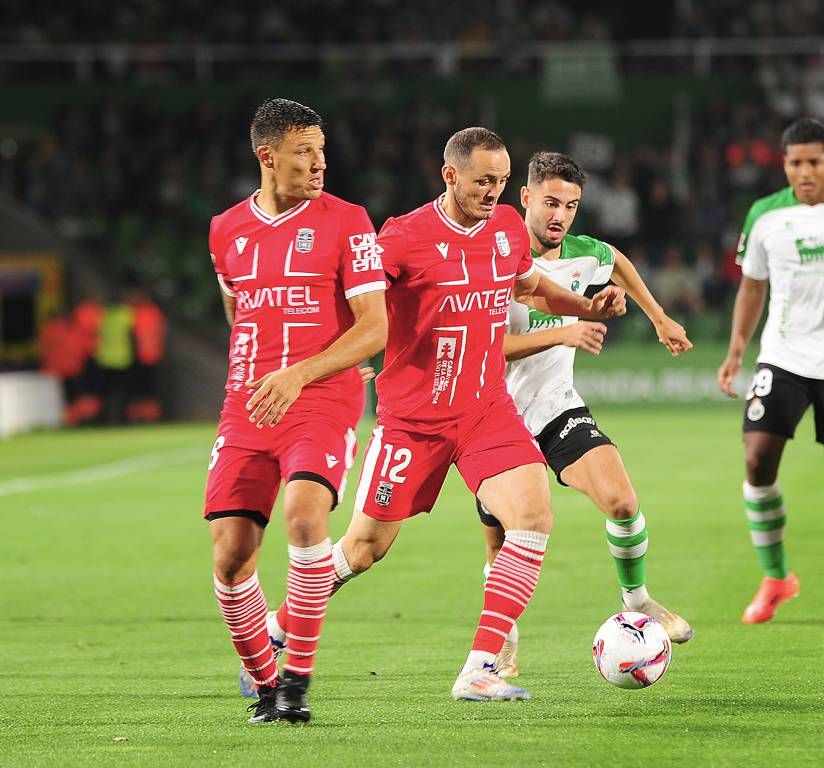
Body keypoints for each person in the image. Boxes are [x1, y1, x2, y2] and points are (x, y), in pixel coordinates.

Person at [248, 127, 628, 704]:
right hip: (411, 421)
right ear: (450, 176)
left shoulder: (505, 229)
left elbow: (530, 289)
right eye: (483, 182)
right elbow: (351, 303)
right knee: (363, 549)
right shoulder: (402, 238)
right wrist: (322, 366)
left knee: (533, 514)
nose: (494, 194)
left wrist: (584, 305)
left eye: (501, 183)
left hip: (485, 411)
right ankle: (277, 631)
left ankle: (480, 667)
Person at [472, 152, 694, 678]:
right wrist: (569, 327)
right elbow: (489, 348)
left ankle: (637, 598)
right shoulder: (490, 256)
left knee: (622, 503)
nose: (560, 216)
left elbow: (615, 261)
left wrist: (658, 316)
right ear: (524, 198)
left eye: (571, 206)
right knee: (502, 541)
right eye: (550, 202)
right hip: (493, 418)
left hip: (555, 405)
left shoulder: (583, 254)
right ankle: (503, 635)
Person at [205, 98, 387, 724]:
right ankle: (264, 688)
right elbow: (240, 316)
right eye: (305, 151)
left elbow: (375, 327)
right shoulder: (225, 230)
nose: (320, 162)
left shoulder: (348, 221)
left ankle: (295, 684)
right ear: (268, 157)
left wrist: (304, 370)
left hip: (321, 399)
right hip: (248, 406)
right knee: (230, 557)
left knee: (306, 520)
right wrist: (257, 375)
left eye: (322, 149)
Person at [717, 116, 824, 625]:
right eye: (797, 163)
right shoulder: (764, 215)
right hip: (783, 355)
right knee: (757, 461)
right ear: (784, 164)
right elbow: (752, 286)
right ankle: (777, 577)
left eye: (815, 162)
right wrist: (737, 348)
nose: (805, 172)